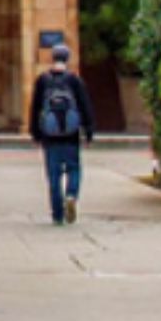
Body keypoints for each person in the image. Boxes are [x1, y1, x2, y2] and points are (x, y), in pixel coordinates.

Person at [28, 42, 94, 225]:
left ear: (52, 58)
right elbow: (85, 106)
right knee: (73, 169)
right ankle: (71, 195)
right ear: (67, 59)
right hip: (71, 135)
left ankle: (57, 214)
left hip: (50, 137)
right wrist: (88, 132)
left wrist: (35, 133)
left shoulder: (43, 80)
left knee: (54, 175)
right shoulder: (74, 80)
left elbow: (35, 108)